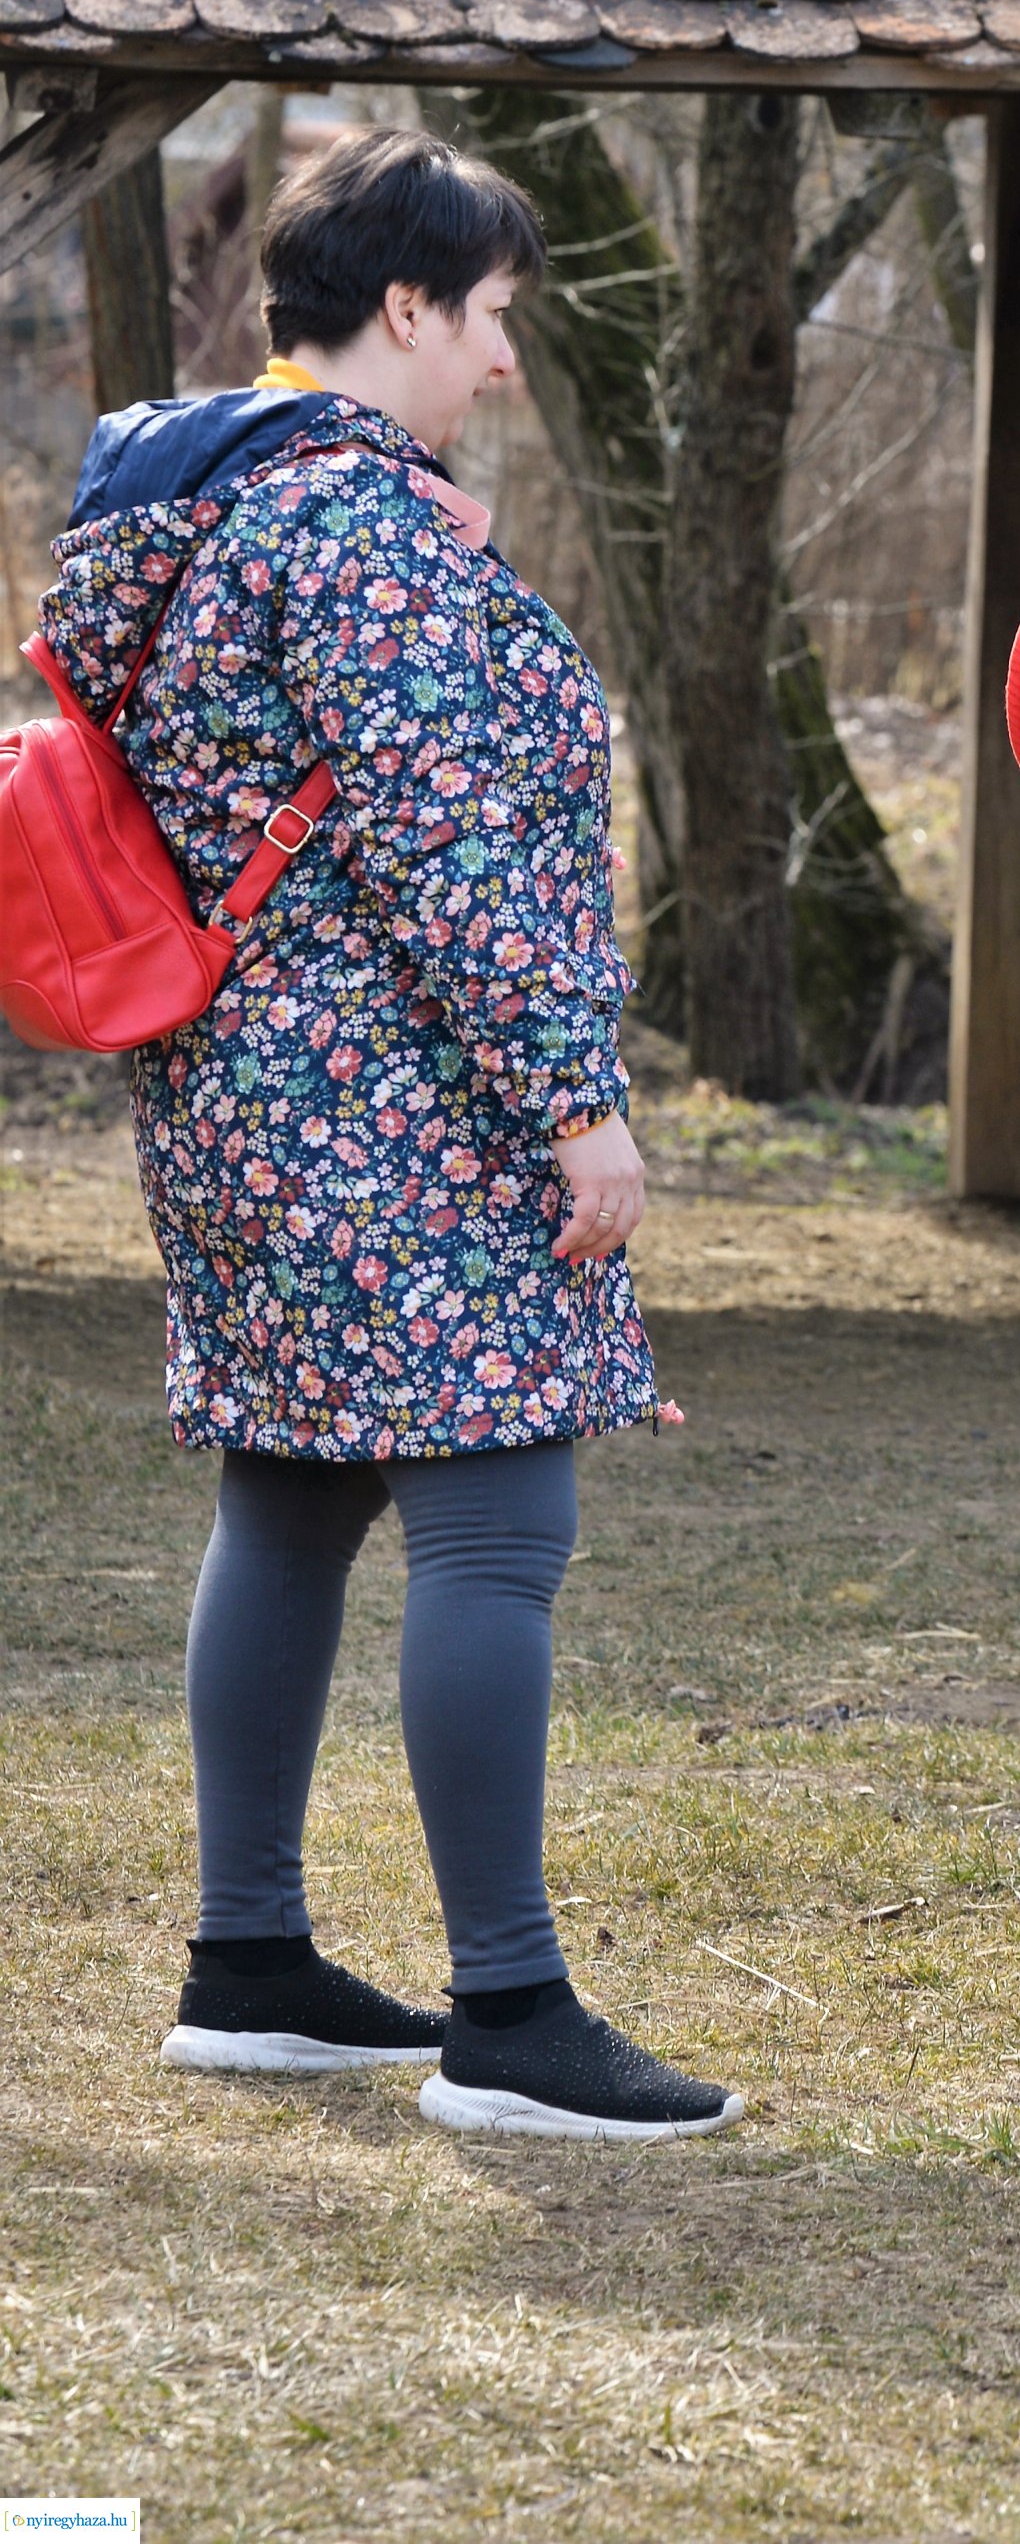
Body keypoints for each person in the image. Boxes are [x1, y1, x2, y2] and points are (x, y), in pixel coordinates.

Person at [39, 126, 743, 2143]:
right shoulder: (356, 531)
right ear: (408, 306)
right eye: (496, 316)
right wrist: (576, 1105)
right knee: (497, 1516)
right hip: (393, 1100)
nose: (504, 364)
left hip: (245, 1097)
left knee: (289, 1497)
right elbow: (448, 848)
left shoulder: (192, 505)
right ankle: (510, 2013)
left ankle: (248, 1960)